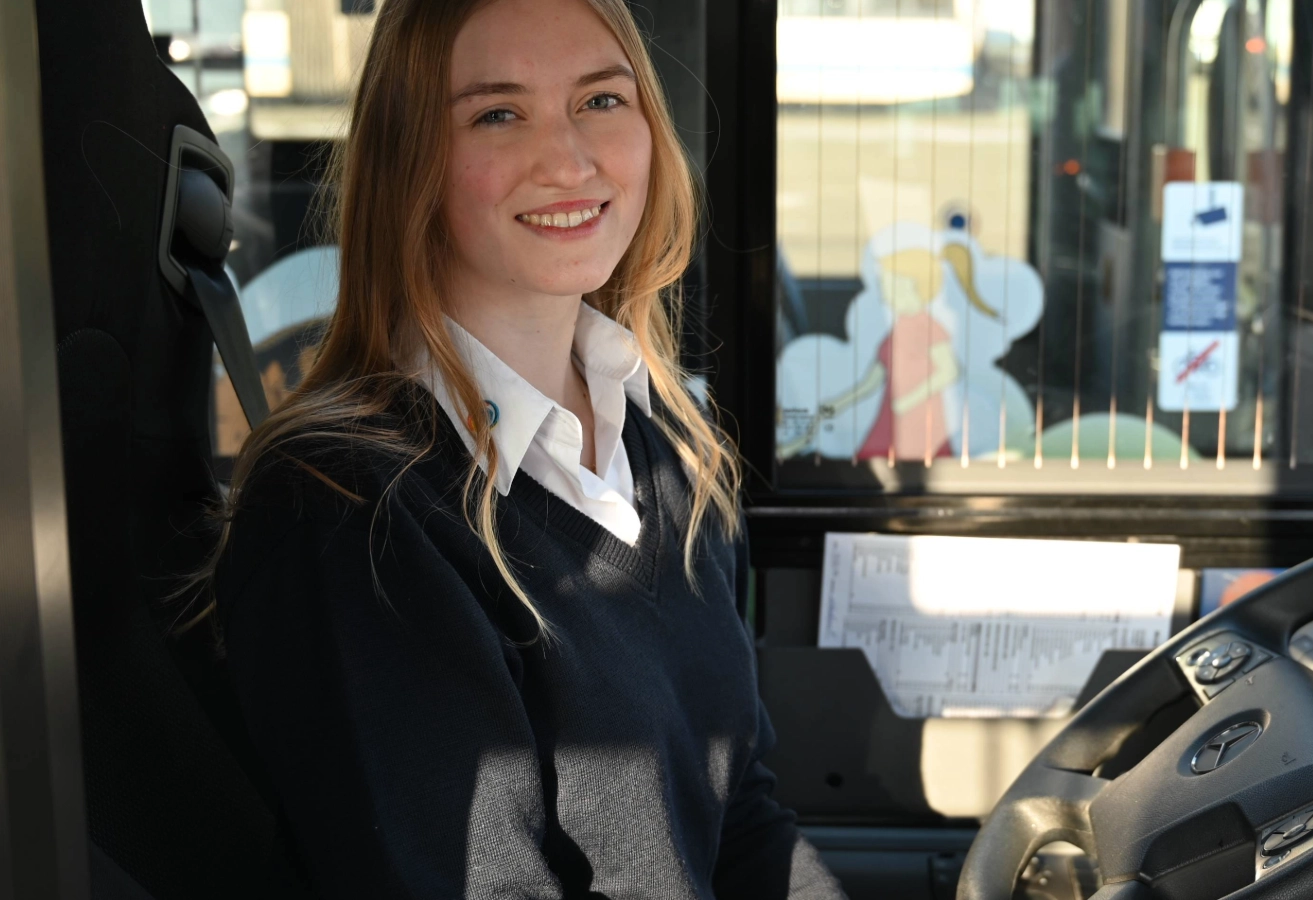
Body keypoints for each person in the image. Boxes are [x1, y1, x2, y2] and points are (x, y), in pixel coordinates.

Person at [201, 0, 845, 896]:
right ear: (411, 161)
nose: (569, 159)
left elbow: (742, 814)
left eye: (602, 101)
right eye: (498, 114)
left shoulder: (665, 445)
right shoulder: (345, 507)